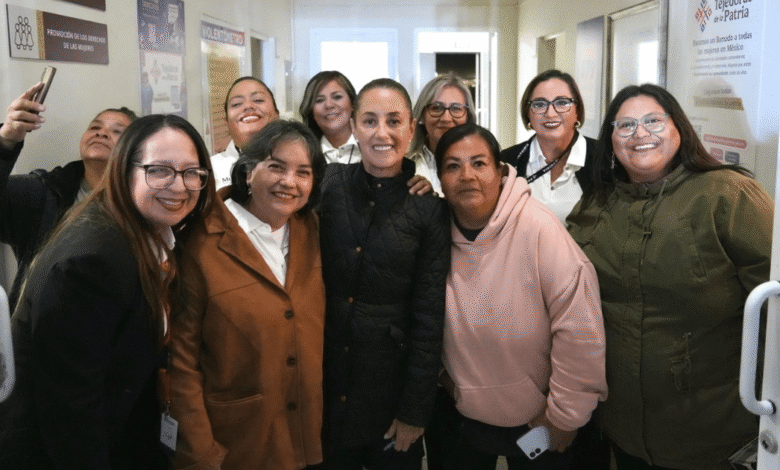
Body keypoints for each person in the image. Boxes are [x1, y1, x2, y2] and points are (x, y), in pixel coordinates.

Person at [567, 84, 773, 469]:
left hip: (714, 434)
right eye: (625, 125)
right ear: (610, 140)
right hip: (624, 430)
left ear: (679, 127)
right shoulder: (599, 202)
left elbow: (774, 303)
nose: (640, 134)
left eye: (652, 121)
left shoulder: (728, 195)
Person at [0, 114, 215, 469]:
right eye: (159, 170)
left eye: (192, 172)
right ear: (124, 170)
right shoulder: (94, 260)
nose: (179, 186)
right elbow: (70, 409)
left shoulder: (143, 231)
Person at [424, 123, 607, 470]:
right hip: (464, 412)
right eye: (452, 166)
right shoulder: (432, 230)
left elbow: (580, 329)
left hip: (542, 416)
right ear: (439, 177)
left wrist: (565, 416)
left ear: (500, 171)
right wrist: (443, 378)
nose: (466, 175)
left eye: (479, 163)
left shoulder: (539, 228)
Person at [169, 120, 327, 469]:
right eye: (276, 166)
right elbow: (181, 362)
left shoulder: (313, 232)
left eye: (304, 172)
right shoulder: (200, 241)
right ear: (247, 172)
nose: (289, 182)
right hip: (236, 444)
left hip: (304, 437)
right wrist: (201, 452)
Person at [318, 78, 451, 470]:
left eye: (394, 121)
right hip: (326, 386)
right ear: (354, 127)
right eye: (370, 121)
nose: (382, 133)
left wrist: (415, 412)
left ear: (412, 128)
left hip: (389, 392)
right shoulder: (329, 185)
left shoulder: (428, 210)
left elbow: (429, 317)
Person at [0, 82, 137, 310]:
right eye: (95, 127)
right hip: (40, 332)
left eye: (116, 132)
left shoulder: (144, 202)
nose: (101, 133)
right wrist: (6, 141)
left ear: (135, 148)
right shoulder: (44, 193)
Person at [500, 69, 595, 224]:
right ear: (528, 113)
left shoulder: (604, 158)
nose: (550, 113)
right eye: (539, 104)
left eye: (562, 103)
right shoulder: (508, 161)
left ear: (577, 111)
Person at [408, 72, 476, 195]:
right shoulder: (401, 163)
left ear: (468, 116)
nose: (446, 118)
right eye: (436, 108)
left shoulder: (486, 164)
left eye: (456, 108)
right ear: (422, 115)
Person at [212, 76, 280, 189]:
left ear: (277, 115)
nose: (248, 106)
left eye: (258, 100)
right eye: (236, 104)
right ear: (227, 122)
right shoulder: (209, 169)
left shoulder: (300, 162)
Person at [300, 70, 361, 164]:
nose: (328, 105)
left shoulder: (370, 146)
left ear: (352, 103)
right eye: (319, 100)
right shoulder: (303, 153)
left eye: (337, 97)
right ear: (311, 110)